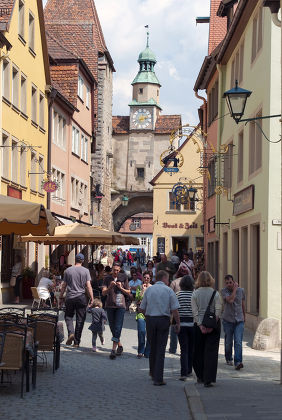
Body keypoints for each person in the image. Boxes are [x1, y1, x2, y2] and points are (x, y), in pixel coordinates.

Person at [140, 270, 180, 386]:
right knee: (161, 349)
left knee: (153, 347)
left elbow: (142, 308)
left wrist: (147, 315)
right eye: (168, 279)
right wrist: (178, 323)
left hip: (151, 320)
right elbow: (175, 310)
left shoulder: (149, 290)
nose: (168, 282)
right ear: (164, 279)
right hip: (163, 320)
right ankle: (158, 378)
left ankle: (152, 372)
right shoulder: (169, 291)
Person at [191, 271, 222, 387]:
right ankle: (208, 378)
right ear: (211, 280)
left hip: (198, 326)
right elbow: (218, 310)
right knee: (211, 353)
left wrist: (200, 326)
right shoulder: (216, 293)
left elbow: (195, 312)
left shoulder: (195, 294)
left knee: (198, 351)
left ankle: (200, 376)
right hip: (213, 325)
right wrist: (212, 325)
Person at [59, 253, 94, 348]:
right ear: (82, 261)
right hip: (81, 297)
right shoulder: (86, 271)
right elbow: (88, 285)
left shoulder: (68, 270)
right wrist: (92, 298)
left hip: (70, 297)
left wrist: (61, 297)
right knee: (80, 319)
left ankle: (71, 332)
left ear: (75, 260)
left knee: (68, 316)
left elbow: (64, 285)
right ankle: (76, 342)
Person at [102, 262, 131, 359]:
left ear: (120, 270)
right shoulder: (107, 278)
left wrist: (121, 287)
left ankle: (113, 350)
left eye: (118, 270)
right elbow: (103, 293)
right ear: (111, 269)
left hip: (120, 306)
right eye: (114, 270)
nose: (116, 272)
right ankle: (120, 345)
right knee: (112, 327)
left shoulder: (123, 277)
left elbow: (128, 292)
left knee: (118, 327)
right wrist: (110, 287)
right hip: (110, 305)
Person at [221, 274, 245, 370]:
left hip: (239, 320)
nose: (229, 284)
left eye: (230, 282)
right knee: (228, 342)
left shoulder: (241, 291)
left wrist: (244, 316)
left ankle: (238, 362)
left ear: (233, 281)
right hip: (228, 320)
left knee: (238, 341)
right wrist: (235, 289)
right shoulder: (224, 291)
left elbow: (242, 304)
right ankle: (228, 358)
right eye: (227, 283)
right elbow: (230, 300)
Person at [176, 275, 195, 381]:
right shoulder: (194, 294)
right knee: (191, 349)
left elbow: (175, 309)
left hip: (181, 325)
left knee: (184, 349)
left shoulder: (178, 294)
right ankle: (189, 371)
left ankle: (183, 373)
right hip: (192, 325)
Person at [169, 265, 190, 354]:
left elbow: (169, 295)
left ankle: (173, 348)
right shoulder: (190, 283)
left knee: (174, 328)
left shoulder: (174, 282)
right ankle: (184, 348)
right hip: (188, 310)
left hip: (176, 308)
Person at [135, 271, 152, 358]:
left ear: (150, 279)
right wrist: (143, 290)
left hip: (150, 313)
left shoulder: (153, 288)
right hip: (141, 313)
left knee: (149, 333)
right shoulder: (139, 287)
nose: (146, 279)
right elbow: (137, 299)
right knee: (141, 331)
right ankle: (140, 351)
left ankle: (147, 351)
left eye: (148, 278)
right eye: (144, 277)